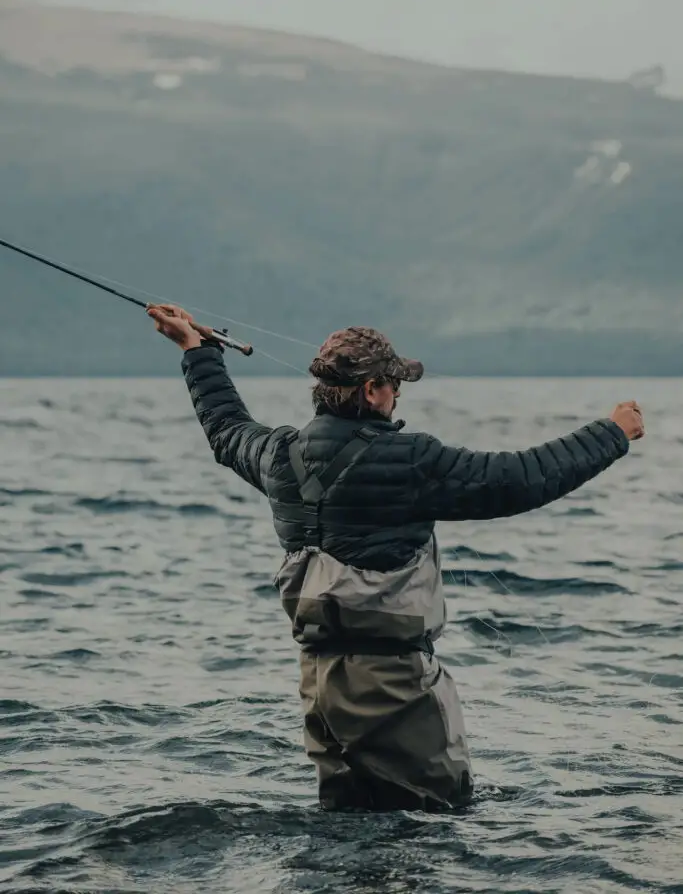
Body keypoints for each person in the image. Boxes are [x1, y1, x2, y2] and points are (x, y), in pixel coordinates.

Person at [146, 303, 645, 812]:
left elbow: (226, 430)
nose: (398, 393)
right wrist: (611, 433)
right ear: (371, 391)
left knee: (347, 828)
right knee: (431, 823)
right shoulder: (410, 459)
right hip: (394, 686)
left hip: (319, 682)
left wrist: (197, 351)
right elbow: (517, 479)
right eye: (393, 383)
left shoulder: (279, 455)